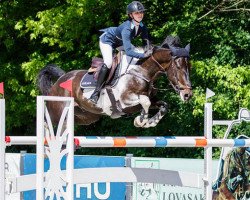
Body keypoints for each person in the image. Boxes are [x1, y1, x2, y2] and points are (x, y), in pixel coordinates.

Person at [89, 1, 151, 104]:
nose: (140, 15)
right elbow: (129, 51)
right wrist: (143, 55)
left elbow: (146, 42)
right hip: (108, 40)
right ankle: (95, 93)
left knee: (134, 57)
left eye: (141, 12)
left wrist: (150, 51)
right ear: (131, 15)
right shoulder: (126, 28)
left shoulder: (142, 26)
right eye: (137, 13)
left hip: (120, 41)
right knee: (108, 62)